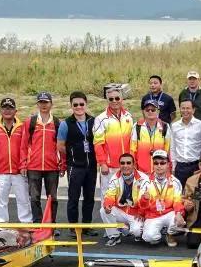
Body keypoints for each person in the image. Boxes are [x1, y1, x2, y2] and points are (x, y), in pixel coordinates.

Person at [56, 91, 98, 237]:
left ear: (86, 104)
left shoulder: (93, 121)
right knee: (73, 197)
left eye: (81, 104)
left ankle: (86, 226)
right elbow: (60, 145)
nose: (79, 107)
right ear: (71, 106)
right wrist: (72, 155)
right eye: (75, 105)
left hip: (91, 166)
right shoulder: (65, 124)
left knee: (89, 197)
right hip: (75, 166)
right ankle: (73, 228)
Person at [20, 92, 65, 224]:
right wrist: (23, 164)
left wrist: (63, 165)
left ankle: (51, 225)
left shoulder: (57, 123)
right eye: (41, 102)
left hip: (52, 167)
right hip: (33, 167)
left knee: (53, 199)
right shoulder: (30, 122)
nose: (43, 105)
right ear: (37, 104)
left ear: (51, 104)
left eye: (46, 102)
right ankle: (38, 225)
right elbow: (23, 145)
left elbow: (61, 146)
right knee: (34, 198)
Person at [0, 97, 32, 223]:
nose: (7, 111)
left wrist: (24, 165)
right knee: (1, 201)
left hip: (19, 171)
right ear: (0, 110)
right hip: (1, 171)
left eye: (10, 108)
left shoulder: (22, 127)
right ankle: (2, 225)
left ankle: (26, 224)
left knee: (23, 199)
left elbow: (27, 146)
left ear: (15, 110)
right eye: (4, 108)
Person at [138, 150, 185, 247]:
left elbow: (178, 201)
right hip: (153, 215)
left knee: (178, 218)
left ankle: (170, 234)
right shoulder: (145, 182)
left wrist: (179, 213)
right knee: (149, 237)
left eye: (162, 163)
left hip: (169, 213)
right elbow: (141, 205)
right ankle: (158, 233)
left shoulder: (175, 182)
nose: (159, 166)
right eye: (156, 163)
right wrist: (144, 199)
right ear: (153, 165)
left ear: (168, 164)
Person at [94, 85, 134, 197]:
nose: (114, 101)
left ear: (122, 99)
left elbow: (132, 141)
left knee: (125, 197)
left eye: (117, 98)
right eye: (111, 99)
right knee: (108, 197)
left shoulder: (129, 116)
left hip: (126, 165)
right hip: (110, 167)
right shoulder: (101, 119)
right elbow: (98, 144)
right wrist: (102, 163)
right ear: (107, 101)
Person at [100, 153, 148, 246]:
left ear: (133, 165)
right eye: (122, 163)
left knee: (137, 232)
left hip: (136, 213)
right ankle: (114, 235)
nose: (125, 166)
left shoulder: (144, 179)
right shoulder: (114, 178)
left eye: (128, 163)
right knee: (103, 210)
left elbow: (144, 201)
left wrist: (142, 212)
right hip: (121, 211)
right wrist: (107, 205)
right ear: (119, 165)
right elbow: (110, 195)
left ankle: (129, 229)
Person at [170, 99, 201, 187]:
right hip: (180, 167)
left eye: (188, 108)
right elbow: (172, 147)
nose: (185, 111)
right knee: (180, 196)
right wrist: (173, 167)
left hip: (196, 166)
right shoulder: (174, 126)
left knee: (196, 196)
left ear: (193, 110)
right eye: (183, 108)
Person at [131, 98, 171, 174]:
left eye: (153, 110)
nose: (150, 111)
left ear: (158, 111)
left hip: (160, 171)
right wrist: (134, 167)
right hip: (141, 171)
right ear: (143, 111)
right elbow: (133, 149)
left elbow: (168, 150)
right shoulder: (137, 126)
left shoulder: (165, 126)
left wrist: (167, 169)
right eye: (147, 110)